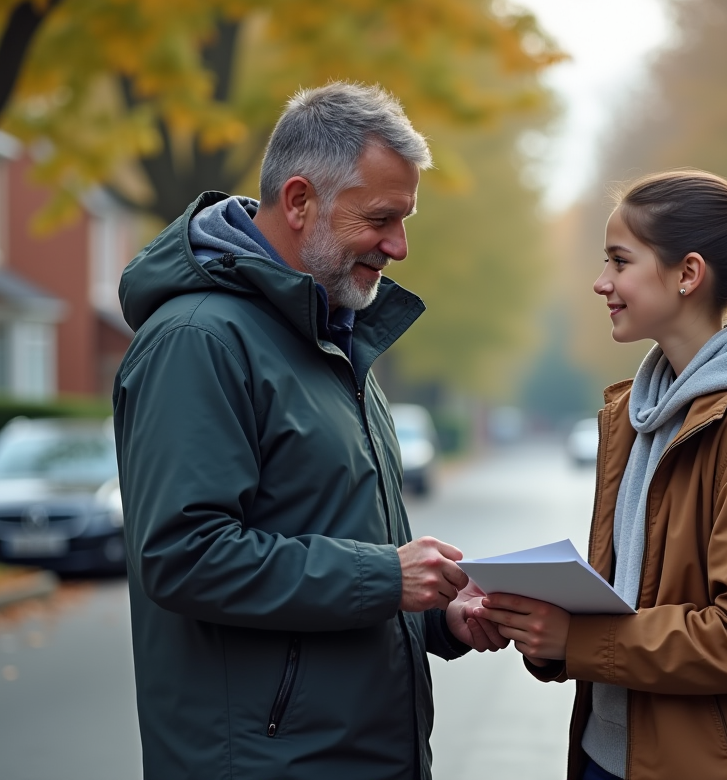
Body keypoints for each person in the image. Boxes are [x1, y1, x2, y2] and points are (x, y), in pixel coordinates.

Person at [112, 82, 506, 780]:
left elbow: (335, 562)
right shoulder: (197, 340)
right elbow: (185, 555)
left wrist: (439, 621)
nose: (400, 246)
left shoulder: (332, 343)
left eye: (405, 219)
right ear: (298, 202)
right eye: (381, 217)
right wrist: (387, 574)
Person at [478, 170, 727, 780]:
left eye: (620, 262)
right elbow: (632, 597)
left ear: (687, 274)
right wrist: (537, 621)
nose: (601, 283)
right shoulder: (636, 417)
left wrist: (575, 641)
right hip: (611, 755)